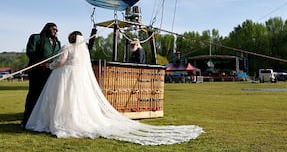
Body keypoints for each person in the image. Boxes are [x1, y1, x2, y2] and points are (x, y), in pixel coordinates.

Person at [25, 31, 203, 145]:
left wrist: (49, 66)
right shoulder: (83, 50)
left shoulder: (67, 47)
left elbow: (61, 61)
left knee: (63, 98)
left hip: (64, 76)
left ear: (71, 38)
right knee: (77, 99)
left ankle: (60, 121)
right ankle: (74, 118)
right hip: (78, 77)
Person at [21, 23, 61, 127]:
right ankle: (27, 120)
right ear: (47, 28)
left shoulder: (57, 42)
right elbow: (30, 51)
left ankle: (41, 121)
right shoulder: (36, 37)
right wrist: (42, 62)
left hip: (51, 72)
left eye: (57, 30)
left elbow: (58, 57)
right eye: (54, 29)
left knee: (47, 97)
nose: (56, 31)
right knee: (34, 95)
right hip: (37, 71)